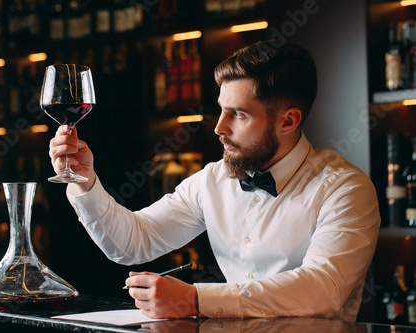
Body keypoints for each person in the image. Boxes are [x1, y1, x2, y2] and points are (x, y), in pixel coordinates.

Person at [48, 41, 380, 322]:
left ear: (288, 121)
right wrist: (84, 182)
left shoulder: (345, 189)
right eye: (221, 110)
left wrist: (195, 300)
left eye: (239, 114)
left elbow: (323, 289)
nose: (219, 127)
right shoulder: (213, 179)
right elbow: (133, 242)